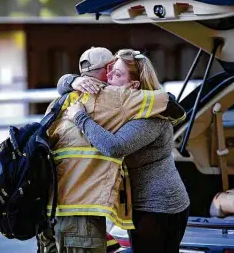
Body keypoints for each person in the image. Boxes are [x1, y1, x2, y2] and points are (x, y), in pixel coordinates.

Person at [40, 47, 187, 253]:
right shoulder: (118, 106)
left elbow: (114, 147)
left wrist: (80, 118)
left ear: (133, 85)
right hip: (139, 204)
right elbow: (68, 86)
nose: (107, 77)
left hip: (158, 206)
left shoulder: (149, 117)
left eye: (116, 73)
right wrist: (71, 81)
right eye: (109, 70)